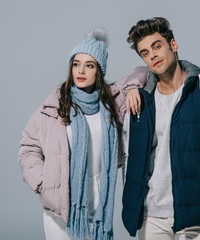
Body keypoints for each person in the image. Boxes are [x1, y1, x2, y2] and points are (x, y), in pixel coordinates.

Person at [18, 28, 147, 240]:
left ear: (99, 70)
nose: (81, 71)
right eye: (76, 64)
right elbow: (28, 149)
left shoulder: (112, 102)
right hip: (61, 207)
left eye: (90, 65)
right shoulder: (54, 106)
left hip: (98, 204)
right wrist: (44, 184)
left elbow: (144, 71)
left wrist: (132, 88)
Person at [121, 17, 200, 240]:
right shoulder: (140, 101)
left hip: (196, 217)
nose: (153, 55)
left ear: (173, 45)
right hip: (151, 217)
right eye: (145, 53)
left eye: (157, 46)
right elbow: (129, 155)